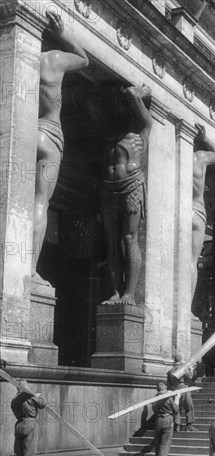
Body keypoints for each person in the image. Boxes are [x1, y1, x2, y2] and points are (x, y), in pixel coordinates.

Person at [33, 10, 89, 283]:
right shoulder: (53, 58)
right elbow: (85, 59)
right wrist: (63, 33)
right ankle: (29, 268)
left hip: (21, 128)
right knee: (40, 203)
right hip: (48, 133)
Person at [96, 84, 153, 305]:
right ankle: (115, 292)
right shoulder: (109, 129)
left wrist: (137, 94)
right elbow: (91, 104)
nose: (117, 107)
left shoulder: (142, 128)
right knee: (111, 241)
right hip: (108, 187)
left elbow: (132, 95)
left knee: (129, 238)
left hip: (131, 185)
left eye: (120, 104)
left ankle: (129, 293)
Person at [192, 124, 215, 300]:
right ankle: (186, 309)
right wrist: (206, 139)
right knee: (191, 261)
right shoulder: (200, 157)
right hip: (197, 210)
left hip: (179, 207)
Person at [11, 380, 46, 456]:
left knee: (18, 453)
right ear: (26, 387)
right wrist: (39, 396)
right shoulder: (29, 396)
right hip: (30, 423)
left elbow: (13, 409)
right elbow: (42, 404)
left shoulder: (14, 400)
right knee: (29, 452)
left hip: (19, 424)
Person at [152, 382, 180, 456]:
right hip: (167, 419)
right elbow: (176, 411)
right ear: (164, 388)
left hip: (157, 420)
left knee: (158, 443)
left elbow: (154, 409)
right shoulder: (168, 397)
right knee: (165, 444)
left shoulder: (155, 398)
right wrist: (177, 399)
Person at [167, 353, 199, 432]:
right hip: (184, 389)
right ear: (181, 360)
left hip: (175, 391)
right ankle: (189, 425)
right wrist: (191, 370)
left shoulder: (170, 371)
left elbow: (168, 385)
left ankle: (177, 425)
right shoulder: (183, 369)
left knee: (177, 408)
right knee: (189, 406)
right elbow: (189, 378)